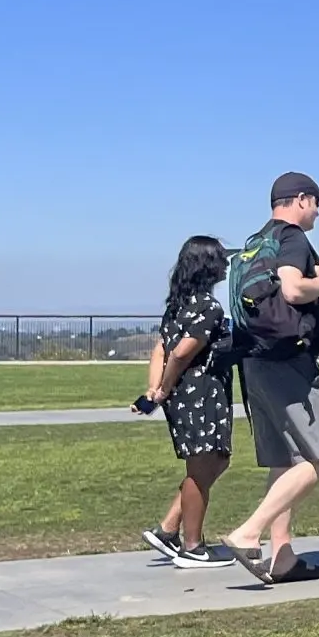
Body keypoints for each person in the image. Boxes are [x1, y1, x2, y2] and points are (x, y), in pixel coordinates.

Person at [224, 170, 319, 585]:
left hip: (254, 361)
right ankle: (248, 532)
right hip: (289, 364)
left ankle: (283, 557)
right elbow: (293, 290)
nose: (318, 212)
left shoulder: (257, 242)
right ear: (302, 199)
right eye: (317, 203)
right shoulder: (292, 238)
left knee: (285, 460)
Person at [139, 234, 236, 569]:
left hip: (185, 395)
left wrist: (154, 390)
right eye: (221, 258)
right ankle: (192, 546)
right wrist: (163, 388)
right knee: (201, 468)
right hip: (201, 394)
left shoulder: (177, 307)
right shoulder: (209, 308)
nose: (226, 264)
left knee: (216, 461)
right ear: (208, 266)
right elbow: (180, 354)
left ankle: (168, 529)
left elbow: (160, 350)